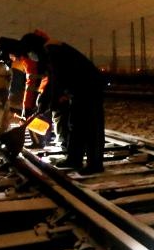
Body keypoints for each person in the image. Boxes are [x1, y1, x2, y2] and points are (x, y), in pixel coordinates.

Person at [18, 31, 105, 173]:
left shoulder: (53, 49)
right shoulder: (50, 49)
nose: (33, 55)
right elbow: (53, 79)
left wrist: (50, 102)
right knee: (76, 124)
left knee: (91, 126)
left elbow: (57, 79)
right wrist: (44, 101)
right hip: (79, 88)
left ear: (35, 45)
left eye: (32, 51)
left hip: (90, 87)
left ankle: (95, 165)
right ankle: (74, 160)